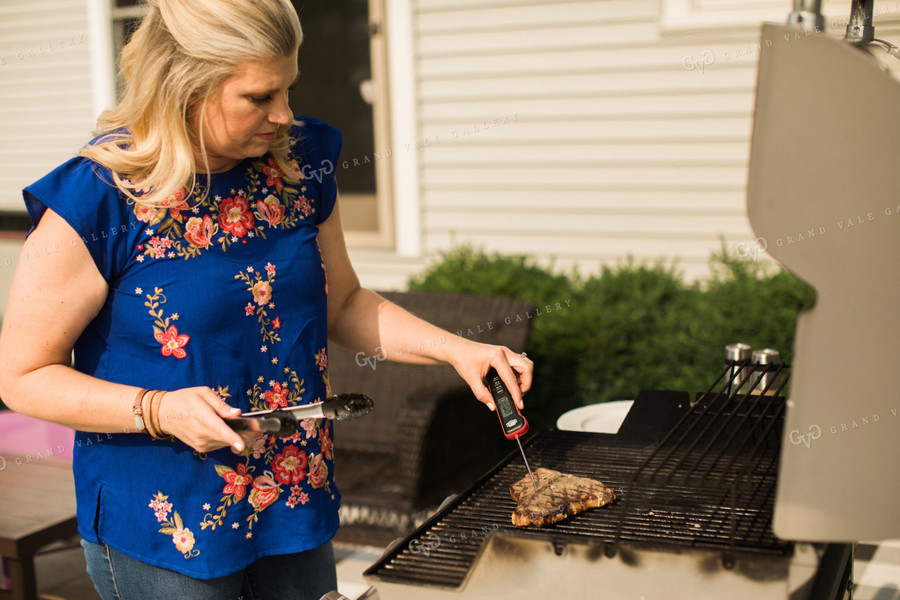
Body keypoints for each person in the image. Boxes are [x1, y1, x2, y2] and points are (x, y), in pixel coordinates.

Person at [0, 0, 533, 598]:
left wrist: (458, 350)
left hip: (294, 502)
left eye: (289, 90)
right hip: (168, 527)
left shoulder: (299, 164)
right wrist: (159, 410)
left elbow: (345, 301)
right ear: (184, 88)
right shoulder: (99, 200)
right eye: (259, 97)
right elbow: (22, 375)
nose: (284, 115)